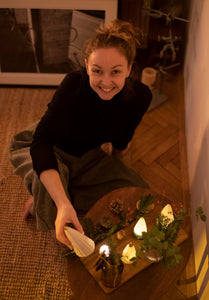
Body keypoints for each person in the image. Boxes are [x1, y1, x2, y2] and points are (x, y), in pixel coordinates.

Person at [9, 19, 152, 250]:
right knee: (52, 187)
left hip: (88, 158)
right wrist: (63, 204)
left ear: (129, 67)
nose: (106, 82)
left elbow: (121, 141)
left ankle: (48, 190)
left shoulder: (141, 97)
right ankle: (53, 192)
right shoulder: (73, 85)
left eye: (115, 71)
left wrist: (115, 172)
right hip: (51, 147)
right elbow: (41, 143)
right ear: (86, 66)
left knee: (138, 192)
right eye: (97, 71)